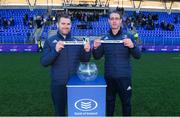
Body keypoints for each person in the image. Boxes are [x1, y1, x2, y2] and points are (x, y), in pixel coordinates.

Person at [40, 14, 91, 116]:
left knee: (77, 112)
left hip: (75, 84)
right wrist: (55, 50)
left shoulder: (77, 41)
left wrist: (87, 50)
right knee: (60, 113)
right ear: (57, 24)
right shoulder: (50, 41)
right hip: (58, 84)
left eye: (68, 24)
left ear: (71, 25)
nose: (65, 26)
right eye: (63, 23)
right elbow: (44, 62)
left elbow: (85, 60)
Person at [93, 11, 141, 116]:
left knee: (126, 104)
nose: (114, 21)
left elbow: (138, 55)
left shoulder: (128, 36)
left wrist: (132, 46)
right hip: (109, 78)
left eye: (116, 18)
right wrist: (95, 47)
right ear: (109, 21)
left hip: (124, 78)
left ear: (120, 21)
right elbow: (97, 57)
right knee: (109, 104)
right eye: (112, 19)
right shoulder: (104, 38)